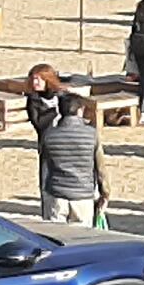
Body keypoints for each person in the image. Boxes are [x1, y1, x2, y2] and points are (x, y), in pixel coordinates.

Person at [32, 82, 104, 226]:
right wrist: (104, 192)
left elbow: (45, 169)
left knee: (56, 240)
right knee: (81, 240)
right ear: (80, 110)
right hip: (83, 195)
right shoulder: (91, 134)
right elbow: (100, 168)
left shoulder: (49, 135)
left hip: (56, 193)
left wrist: (45, 194)